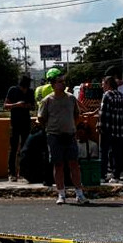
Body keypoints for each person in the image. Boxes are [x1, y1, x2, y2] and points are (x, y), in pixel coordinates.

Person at [38, 70, 88, 205]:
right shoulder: (47, 100)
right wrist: (51, 127)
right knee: (58, 165)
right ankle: (61, 194)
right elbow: (41, 118)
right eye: (59, 82)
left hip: (70, 135)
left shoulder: (71, 98)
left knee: (74, 164)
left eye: (63, 81)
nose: (63, 84)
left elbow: (77, 115)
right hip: (54, 136)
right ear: (53, 84)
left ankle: (79, 193)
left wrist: (72, 126)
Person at [4, 75, 36, 181]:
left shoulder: (30, 92)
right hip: (15, 122)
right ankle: (12, 172)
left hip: (26, 122)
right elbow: (6, 105)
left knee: (25, 148)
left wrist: (27, 106)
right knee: (13, 148)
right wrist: (17, 105)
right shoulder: (13, 90)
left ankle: (23, 172)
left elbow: (33, 106)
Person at [97, 75, 123, 183]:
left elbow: (103, 113)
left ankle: (102, 175)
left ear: (108, 84)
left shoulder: (107, 95)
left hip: (107, 129)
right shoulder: (121, 96)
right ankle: (116, 176)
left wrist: (100, 127)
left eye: (103, 84)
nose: (102, 86)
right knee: (117, 153)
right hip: (120, 130)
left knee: (103, 152)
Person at [105, 67, 123, 180]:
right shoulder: (109, 91)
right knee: (113, 150)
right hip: (114, 123)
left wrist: (121, 119)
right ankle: (113, 170)